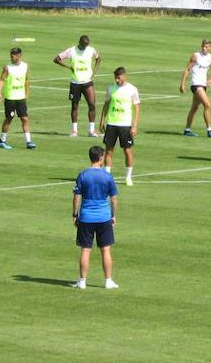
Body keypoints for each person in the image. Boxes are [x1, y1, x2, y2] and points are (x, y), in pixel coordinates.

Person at [72, 145, 119, 290]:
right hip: (104, 217)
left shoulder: (83, 175)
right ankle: (108, 281)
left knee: (86, 250)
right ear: (100, 158)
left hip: (86, 217)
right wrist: (113, 215)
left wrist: (75, 214)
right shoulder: (107, 176)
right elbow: (114, 199)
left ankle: (82, 281)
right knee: (105, 250)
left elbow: (76, 197)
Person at [53, 35, 102, 138]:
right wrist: (68, 67)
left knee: (92, 104)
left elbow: (98, 59)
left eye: (86, 46)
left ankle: (91, 131)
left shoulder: (91, 50)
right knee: (75, 106)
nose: (85, 48)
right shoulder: (71, 51)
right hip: (75, 82)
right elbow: (56, 59)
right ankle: (74, 131)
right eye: (84, 45)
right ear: (79, 43)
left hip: (87, 82)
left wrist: (94, 73)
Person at [100, 66, 140, 187]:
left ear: (124, 76)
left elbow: (137, 108)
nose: (117, 80)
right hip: (112, 123)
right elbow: (106, 104)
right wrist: (102, 120)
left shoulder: (132, 89)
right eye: (115, 78)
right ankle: (107, 177)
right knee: (109, 150)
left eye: (118, 78)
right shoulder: (111, 88)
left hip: (125, 125)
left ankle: (128, 177)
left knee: (127, 151)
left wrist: (134, 126)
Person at [0, 47, 35, 150]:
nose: (11, 57)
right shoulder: (7, 68)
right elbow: (2, 80)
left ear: (19, 56)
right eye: (11, 55)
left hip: (21, 98)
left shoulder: (25, 66)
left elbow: (26, 79)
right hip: (10, 98)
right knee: (9, 119)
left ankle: (28, 141)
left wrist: (27, 91)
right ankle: (2, 140)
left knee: (25, 118)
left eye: (13, 55)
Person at [178, 39, 211, 138]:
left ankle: (187, 130)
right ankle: (209, 130)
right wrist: (182, 84)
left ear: (210, 48)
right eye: (203, 46)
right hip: (196, 85)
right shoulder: (196, 56)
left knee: (194, 108)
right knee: (207, 105)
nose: (205, 48)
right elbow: (187, 69)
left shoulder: (210, 57)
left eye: (207, 47)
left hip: (203, 85)